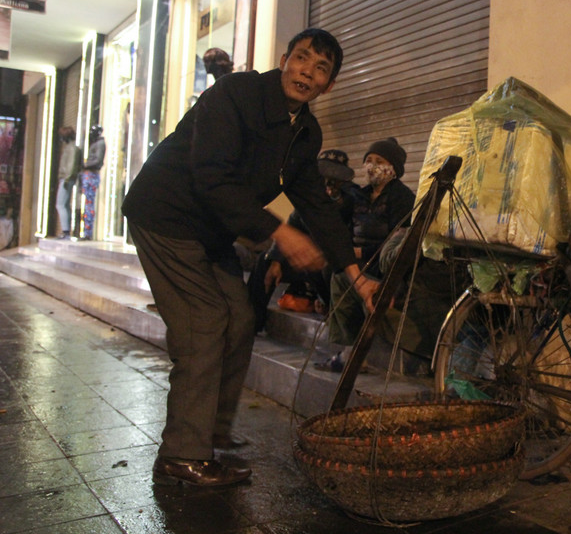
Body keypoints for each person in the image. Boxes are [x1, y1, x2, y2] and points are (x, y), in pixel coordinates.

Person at [121, 28, 376, 488]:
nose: (307, 72)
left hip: (209, 229)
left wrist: (358, 279)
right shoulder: (236, 94)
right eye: (301, 59)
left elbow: (317, 206)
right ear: (284, 59)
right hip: (166, 214)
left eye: (320, 69)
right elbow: (212, 178)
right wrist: (280, 233)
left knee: (239, 317)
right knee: (205, 324)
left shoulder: (304, 133)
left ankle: (207, 436)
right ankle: (184, 453)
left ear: (329, 84)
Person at [321, 137, 415, 372]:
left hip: (383, 266)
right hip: (358, 263)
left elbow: (398, 245)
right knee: (336, 272)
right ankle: (347, 350)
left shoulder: (402, 198)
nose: (372, 166)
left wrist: (361, 251)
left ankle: (358, 354)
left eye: (379, 161)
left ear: (393, 168)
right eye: (368, 160)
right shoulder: (358, 196)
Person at [248, 149, 357, 330]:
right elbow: (291, 227)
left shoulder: (350, 199)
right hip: (307, 260)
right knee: (265, 262)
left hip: (330, 261)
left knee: (331, 265)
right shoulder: (309, 198)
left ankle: (331, 308)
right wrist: (276, 261)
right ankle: (253, 321)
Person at [55, 125, 82, 239]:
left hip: (67, 179)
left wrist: (66, 179)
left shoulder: (72, 149)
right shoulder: (71, 148)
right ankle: (66, 231)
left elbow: (71, 166)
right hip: (67, 178)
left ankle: (66, 231)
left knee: (60, 204)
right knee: (64, 205)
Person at [78, 124, 104, 240]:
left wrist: (85, 164)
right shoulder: (96, 143)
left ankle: (88, 232)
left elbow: (98, 160)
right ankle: (86, 231)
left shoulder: (100, 144)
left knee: (89, 203)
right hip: (89, 174)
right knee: (87, 203)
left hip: (92, 174)